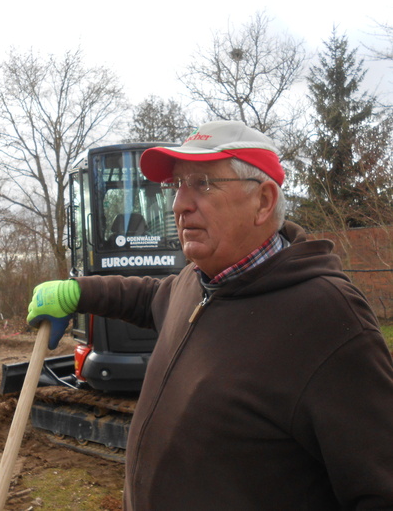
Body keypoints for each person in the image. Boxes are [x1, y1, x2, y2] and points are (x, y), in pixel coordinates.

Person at [27, 120, 393, 510]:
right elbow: (149, 296)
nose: (178, 204)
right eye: (177, 184)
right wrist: (78, 291)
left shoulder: (328, 320)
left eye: (202, 183)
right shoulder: (200, 281)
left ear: (264, 202)